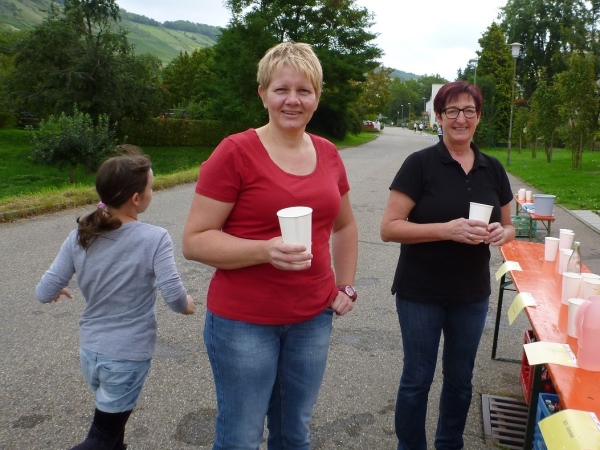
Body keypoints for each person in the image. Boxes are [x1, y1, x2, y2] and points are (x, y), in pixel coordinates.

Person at [182, 41, 358, 450]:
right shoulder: (235, 152)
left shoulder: (329, 153)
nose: (293, 100)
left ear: (317, 96)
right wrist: (264, 250)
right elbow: (195, 240)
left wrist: (346, 285)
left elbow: (346, 226)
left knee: (294, 434)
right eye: (282, 89)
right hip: (244, 323)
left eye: (304, 90)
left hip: (313, 318)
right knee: (240, 437)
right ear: (263, 94)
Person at [380, 81, 515, 450]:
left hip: (471, 294)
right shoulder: (419, 164)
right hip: (420, 292)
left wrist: (501, 233)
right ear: (438, 117)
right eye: (452, 111)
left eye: (469, 111)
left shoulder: (492, 168)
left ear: (478, 117)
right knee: (417, 379)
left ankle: (449, 443)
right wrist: (446, 229)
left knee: (460, 380)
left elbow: (509, 226)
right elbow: (389, 228)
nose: (460, 118)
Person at [35, 147, 196, 450]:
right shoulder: (155, 238)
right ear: (136, 198)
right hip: (125, 357)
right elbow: (174, 297)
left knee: (113, 435)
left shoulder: (81, 234)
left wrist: (56, 289)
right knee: (101, 438)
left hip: (91, 353)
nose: (152, 193)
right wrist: (187, 304)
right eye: (151, 187)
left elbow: (43, 292)